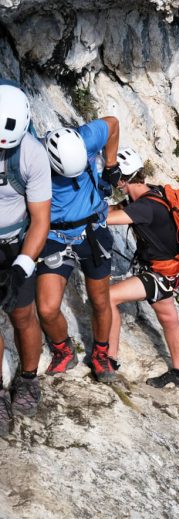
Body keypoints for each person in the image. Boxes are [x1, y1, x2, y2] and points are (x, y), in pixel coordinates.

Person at [37, 117, 121, 383]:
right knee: (47, 308)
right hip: (54, 235)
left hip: (91, 231)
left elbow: (113, 124)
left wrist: (111, 164)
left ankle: (100, 354)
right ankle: (64, 349)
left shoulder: (86, 138)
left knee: (100, 300)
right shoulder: (34, 157)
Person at [106, 148, 179, 388]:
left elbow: (107, 219)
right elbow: (116, 209)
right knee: (169, 319)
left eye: (115, 177)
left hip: (158, 274)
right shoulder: (151, 193)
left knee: (109, 297)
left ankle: (109, 359)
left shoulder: (144, 207)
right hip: (169, 272)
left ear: (122, 179)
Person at [0, 83, 51, 435]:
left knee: (22, 315)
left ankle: (29, 379)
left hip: (17, 244)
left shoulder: (32, 155)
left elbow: (41, 220)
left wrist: (21, 267)